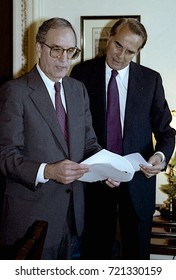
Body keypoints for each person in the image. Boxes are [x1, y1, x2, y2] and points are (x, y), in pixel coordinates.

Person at [0, 17, 119, 260]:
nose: (64, 59)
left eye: (71, 51)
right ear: (39, 48)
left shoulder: (78, 90)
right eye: (56, 50)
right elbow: (6, 157)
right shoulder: (15, 91)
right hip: (30, 223)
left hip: (74, 220)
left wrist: (108, 167)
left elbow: (89, 144)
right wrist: (48, 171)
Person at [70, 18, 175, 260]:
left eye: (130, 51)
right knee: (95, 257)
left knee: (137, 259)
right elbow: (75, 130)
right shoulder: (82, 74)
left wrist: (159, 158)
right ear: (109, 37)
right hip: (95, 184)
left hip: (137, 183)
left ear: (137, 52)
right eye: (118, 45)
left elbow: (166, 131)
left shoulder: (151, 80)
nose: (121, 55)